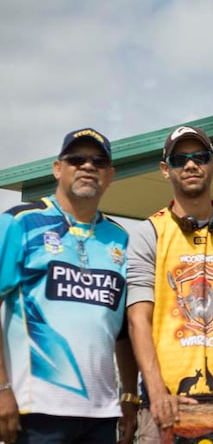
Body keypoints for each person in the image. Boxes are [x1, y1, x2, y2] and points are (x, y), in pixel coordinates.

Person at [0, 128, 137, 444]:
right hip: (34, 411)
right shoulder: (20, 222)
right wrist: (2, 389)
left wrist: (130, 395)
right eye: (77, 159)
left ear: (110, 175)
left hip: (102, 415)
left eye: (99, 161)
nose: (88, 166)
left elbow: (123, 332)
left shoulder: (121, 239)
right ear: (57, 168)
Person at [126, 126, 213, 441]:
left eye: (199, 157)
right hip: (166, 405)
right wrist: (157, 393)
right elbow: (138, 321)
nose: (190, 165)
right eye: (179, 159)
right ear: (165, 169)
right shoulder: (148, 233)